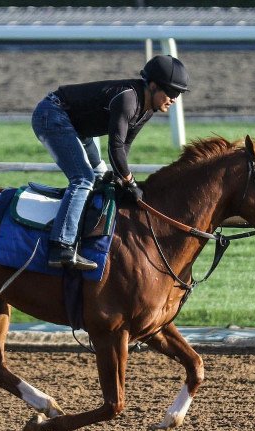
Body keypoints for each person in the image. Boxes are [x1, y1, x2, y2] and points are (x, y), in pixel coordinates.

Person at [31, 54, 189, 271]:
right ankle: (61, 246)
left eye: (178, 94)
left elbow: (124, 147)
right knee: (83, 178)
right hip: (53, 114)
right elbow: (114, 147)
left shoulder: (148, 108)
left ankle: (85, 239)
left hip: (78, 126)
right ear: (152, 86)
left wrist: (122, 179)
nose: (174, 99)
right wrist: (130, 181)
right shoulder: (128, 99)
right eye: (171, 92)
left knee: (103, 177)